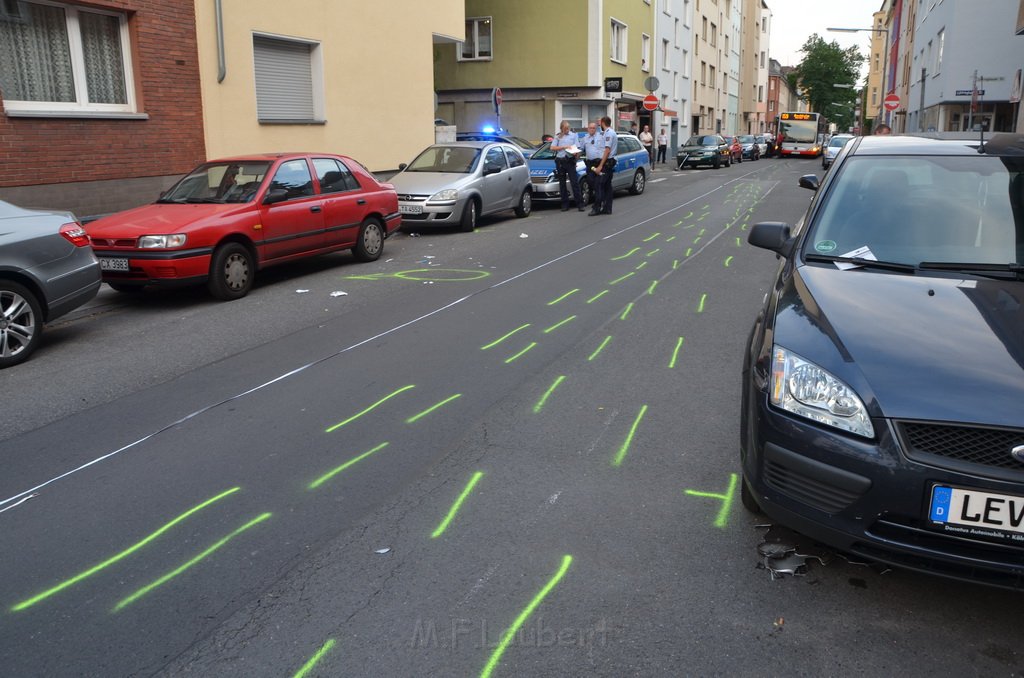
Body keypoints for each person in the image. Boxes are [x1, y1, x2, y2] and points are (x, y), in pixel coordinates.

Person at [551, 120, 584, 212]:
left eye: (568, 128)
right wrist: (564, 147)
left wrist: (576, 158)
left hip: (569, 161)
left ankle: (580, 204)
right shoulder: (558, 136)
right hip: (560, 161)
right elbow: (552, 147)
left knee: (574, 182)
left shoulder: (573, 135)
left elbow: (578, 148)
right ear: (561, 128)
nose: (567, 130)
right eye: (565, 128)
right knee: (562, 184)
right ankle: (565, 204)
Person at [590, 116, 618, 216]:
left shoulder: (609, 133)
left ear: (602, 123)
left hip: (606, 163)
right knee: (607, 186)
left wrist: (600, 166)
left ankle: (596, 208)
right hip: (608, 162)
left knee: (599, 185)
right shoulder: (608, 132)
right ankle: (607, 208)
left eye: (600, 123)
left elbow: (607, 150)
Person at [581, 121, 602, 210]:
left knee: (598, 184)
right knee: (591, 182)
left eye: (594, 128)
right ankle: (598, 200)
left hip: (599, 163)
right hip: (590, 164)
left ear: (596, 129)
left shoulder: (601, 137)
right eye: (590, 128)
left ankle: (597, 205)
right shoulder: (585, 138)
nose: (592, 129)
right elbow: (580, 150)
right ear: (588, 129)